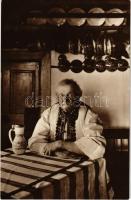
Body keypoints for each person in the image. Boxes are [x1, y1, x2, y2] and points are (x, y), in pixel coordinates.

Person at [28, 79, 106, 160]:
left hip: (80, 162)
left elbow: (96, 145)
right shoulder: (49, 113)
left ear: (77, 96)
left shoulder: (88, 114)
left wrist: (61, 144)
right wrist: (54, 151)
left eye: (69, 95)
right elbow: (35, 141)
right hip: (53, 159)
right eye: (61, 95)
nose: (65, 99)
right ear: (57, 97)